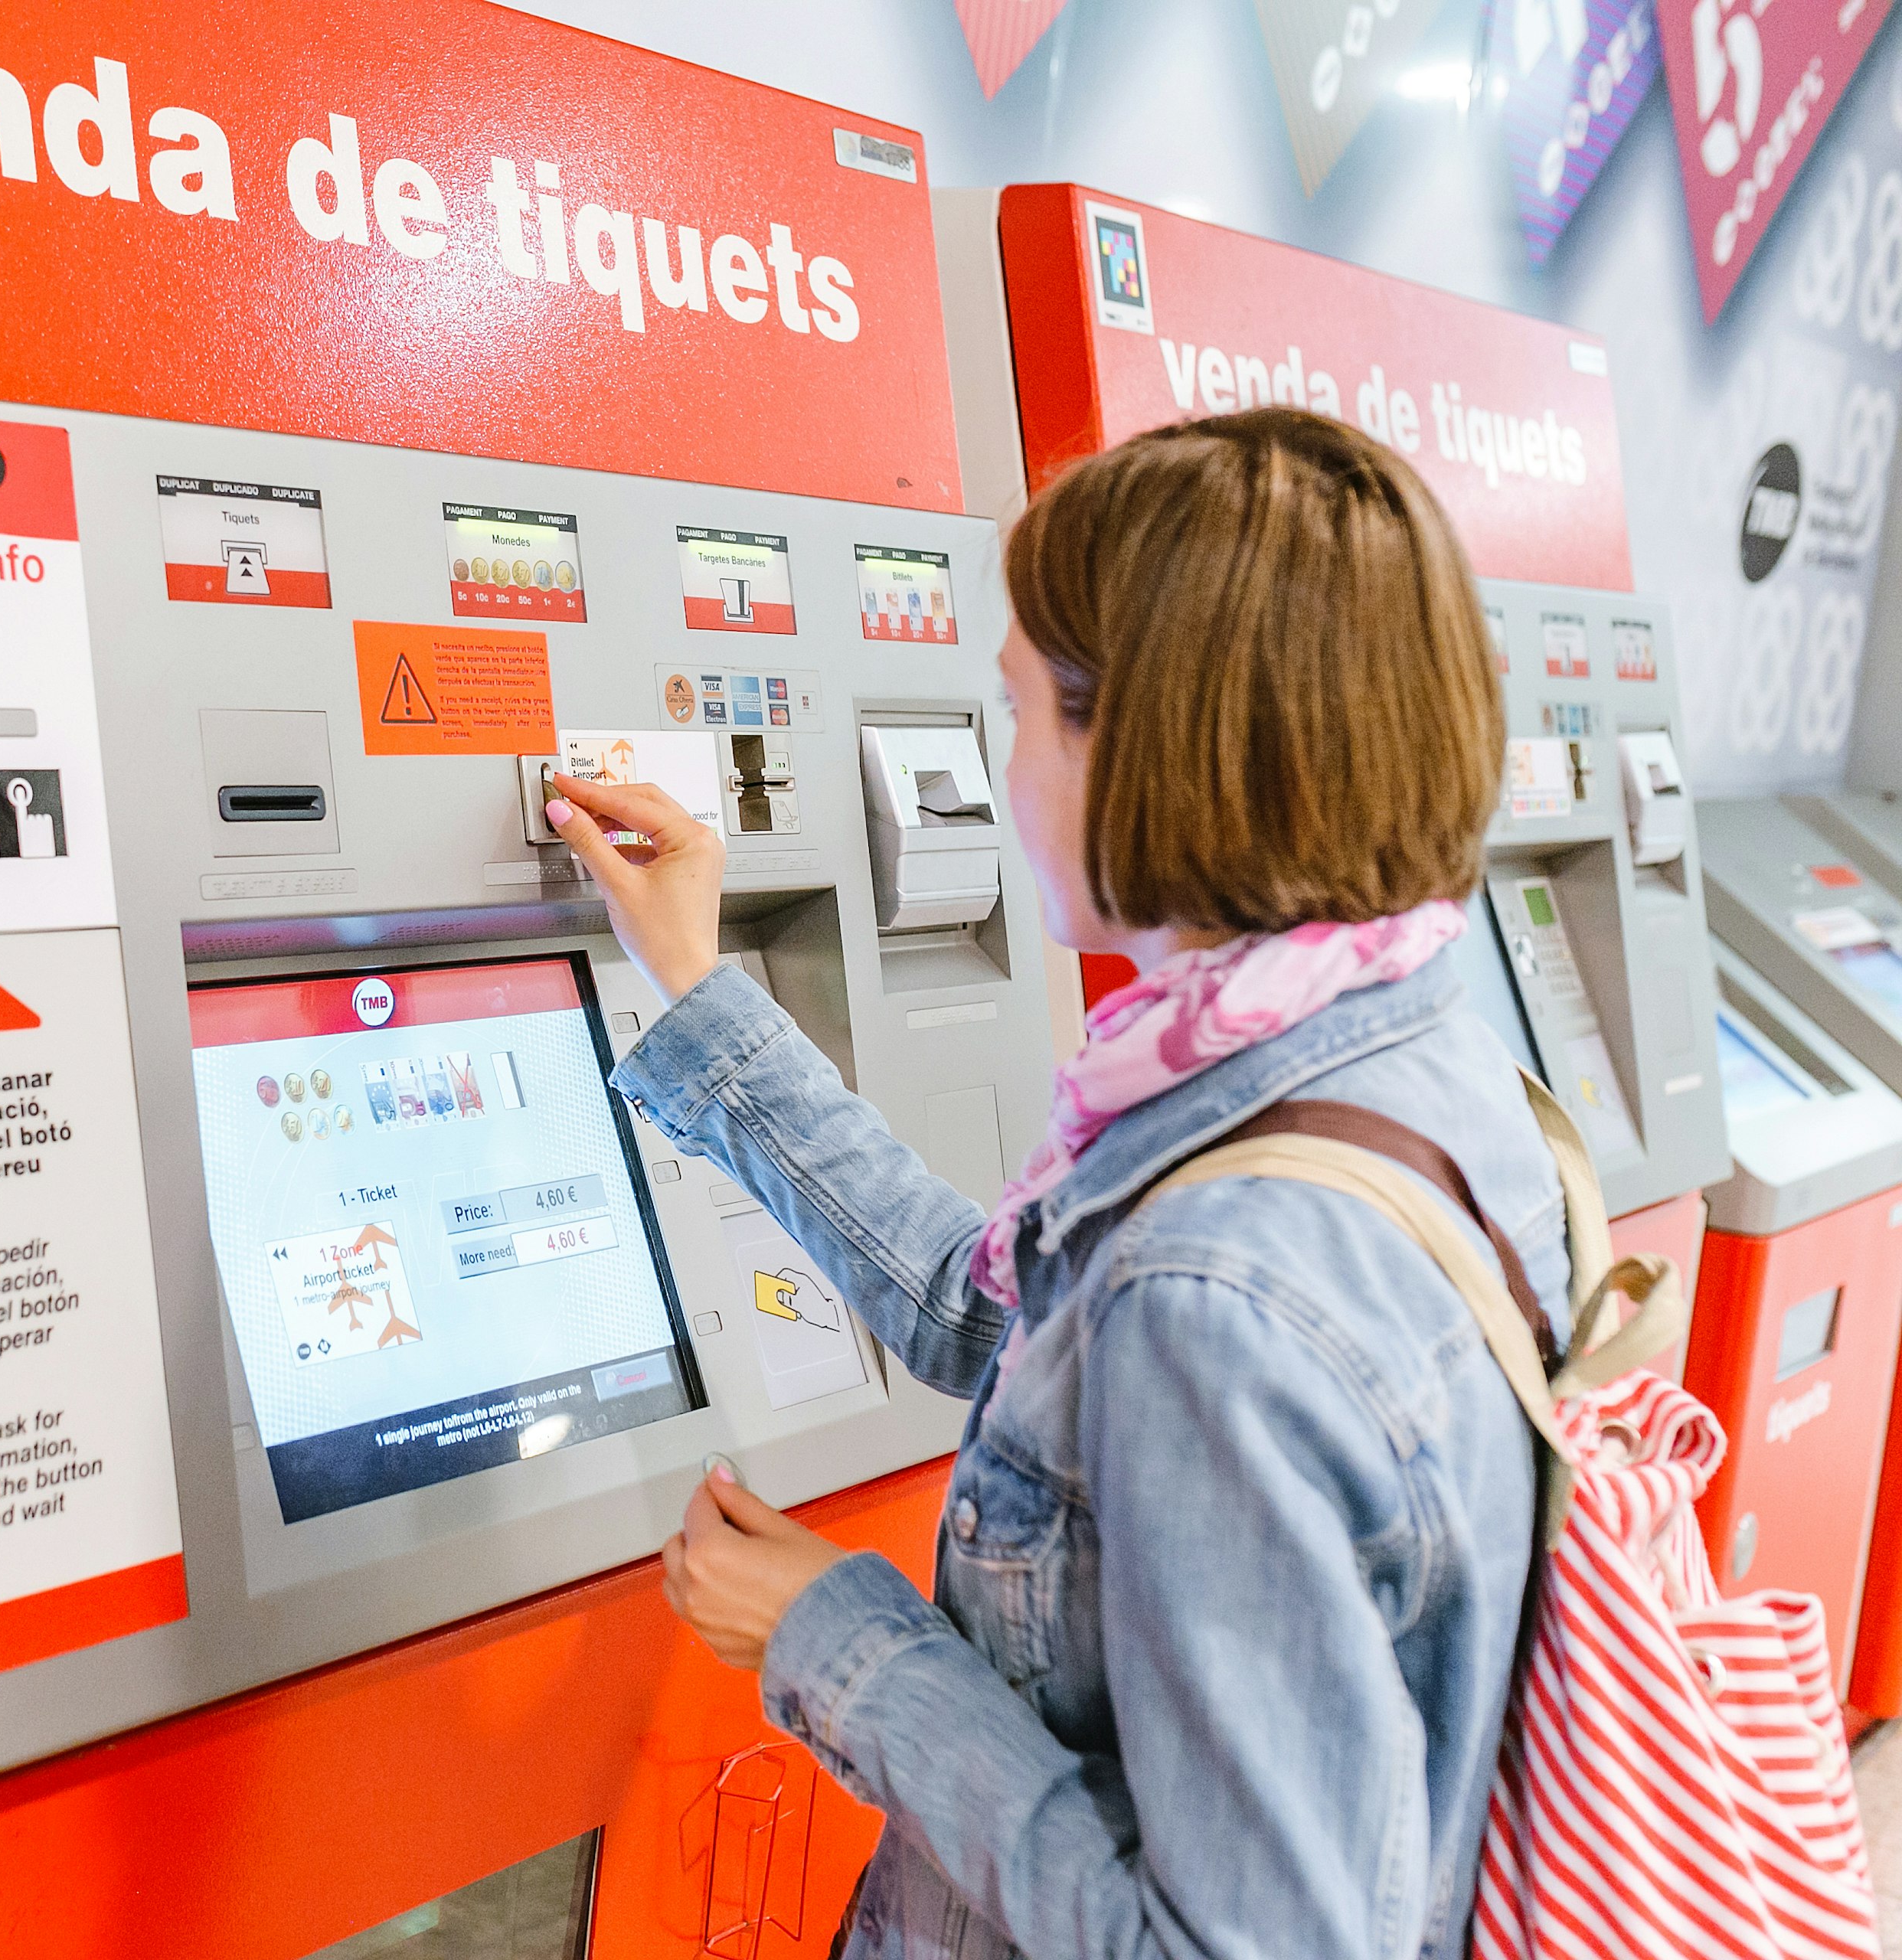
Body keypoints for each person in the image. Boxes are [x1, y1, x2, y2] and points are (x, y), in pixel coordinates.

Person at [543, 407, 1562, 1960]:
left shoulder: (1221, 1286)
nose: (992, 776)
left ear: (1143, 745)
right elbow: (1001, 1311)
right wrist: (699, 987)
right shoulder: (1409, 1058)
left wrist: (838, 1632)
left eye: (1018, 712)